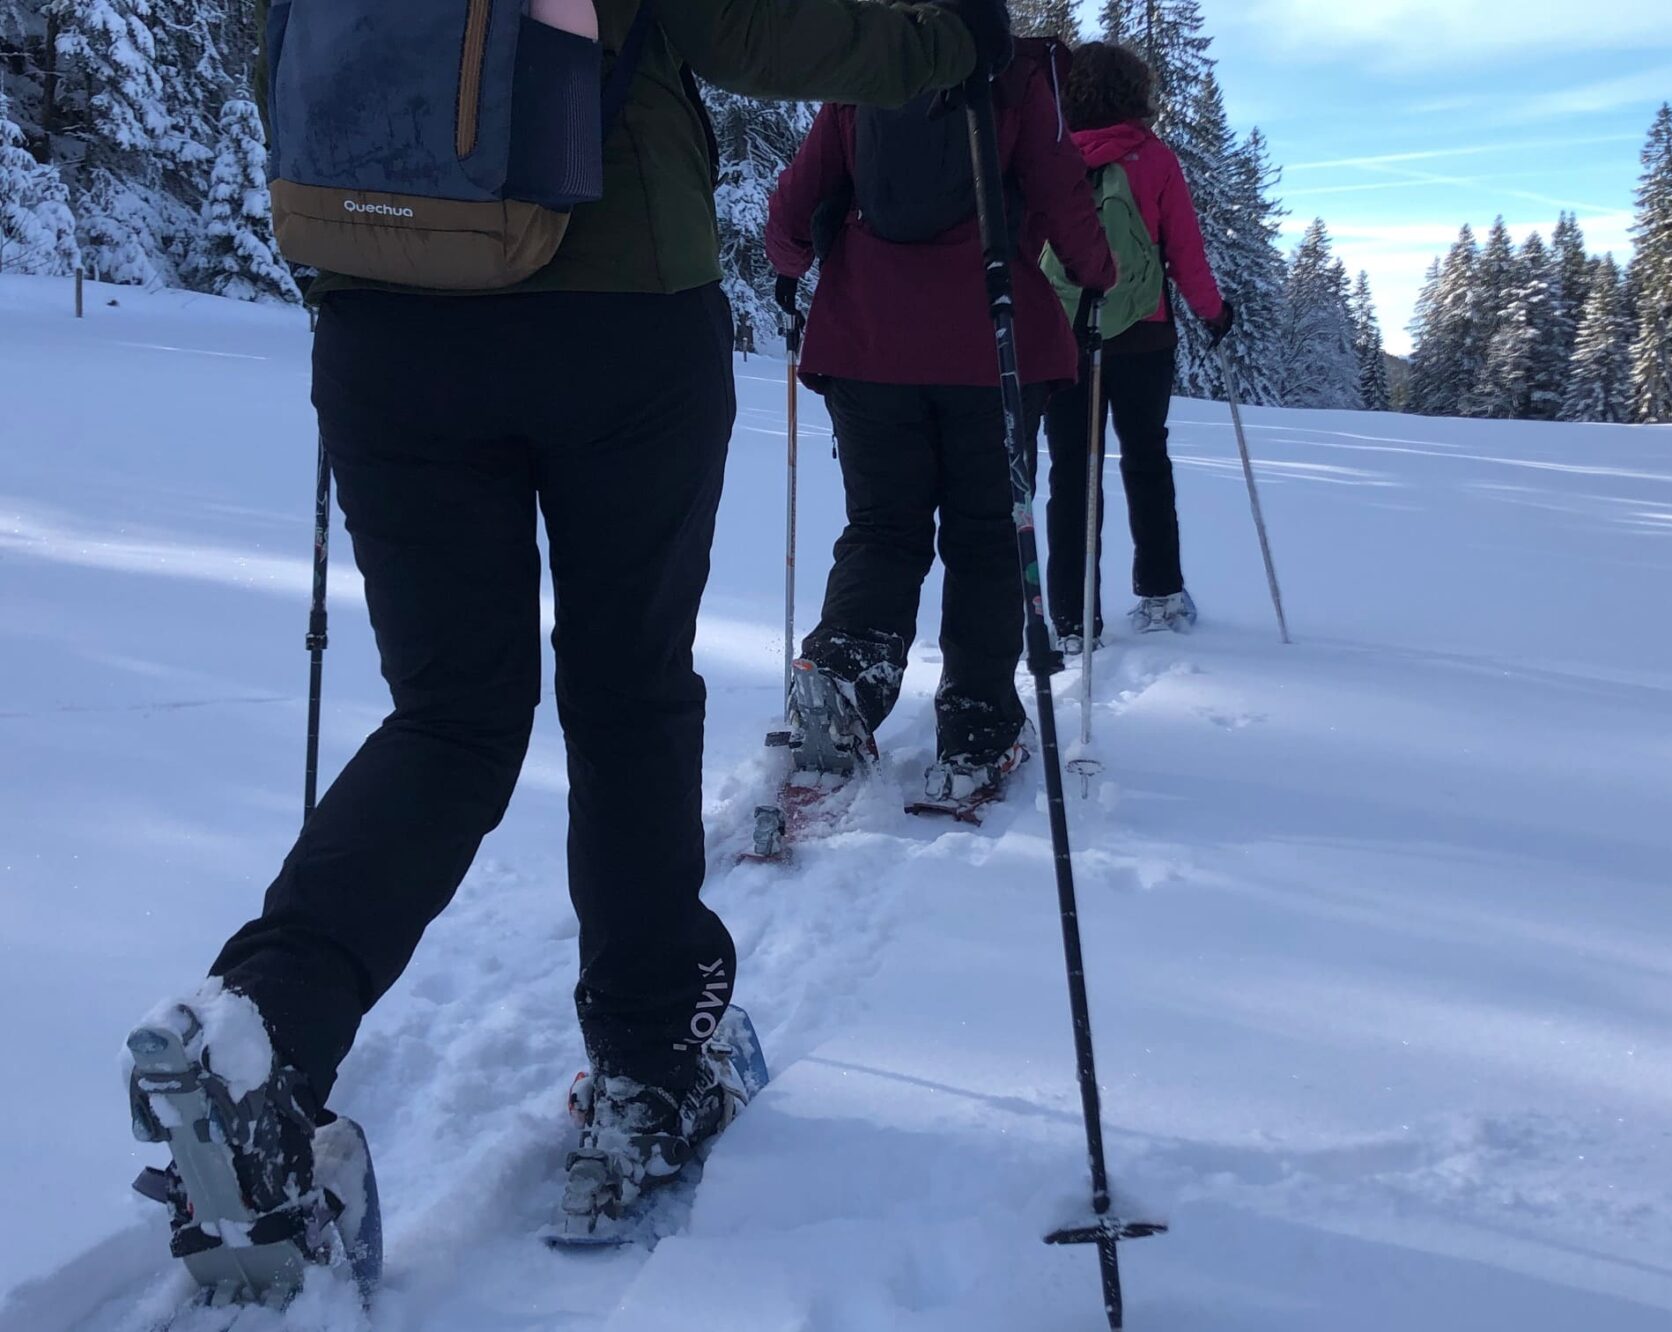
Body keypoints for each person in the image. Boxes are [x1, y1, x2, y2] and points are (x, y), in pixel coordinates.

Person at [126, 0, 1017, 1282]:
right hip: (618, 315)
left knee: (449, 717)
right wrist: (949, 41)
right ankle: (654, 1066)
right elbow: (751, 29)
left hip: (383, 323)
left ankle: (263, 1029)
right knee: (626, 695)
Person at [765, 38, 1114, 801]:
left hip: (867, 343)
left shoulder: (862, 67)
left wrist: (790, 269)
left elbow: (795, 200)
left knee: (883, 528)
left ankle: (846, 683)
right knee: (989, 536)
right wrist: (1098, 277)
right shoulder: (1016, 76)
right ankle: (978, 722)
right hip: (992, 348)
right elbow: (1065, 201)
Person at [1042, 41, 1234, 651]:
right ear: (1135, 94)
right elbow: (1184, 253)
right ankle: (1160, 595)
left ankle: (1073, 619)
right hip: (1144, 335)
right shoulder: (1155, 159)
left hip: (1066, 332)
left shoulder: (1049, 154)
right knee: (1146, 460)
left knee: (1072, 471)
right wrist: (1214, 313)